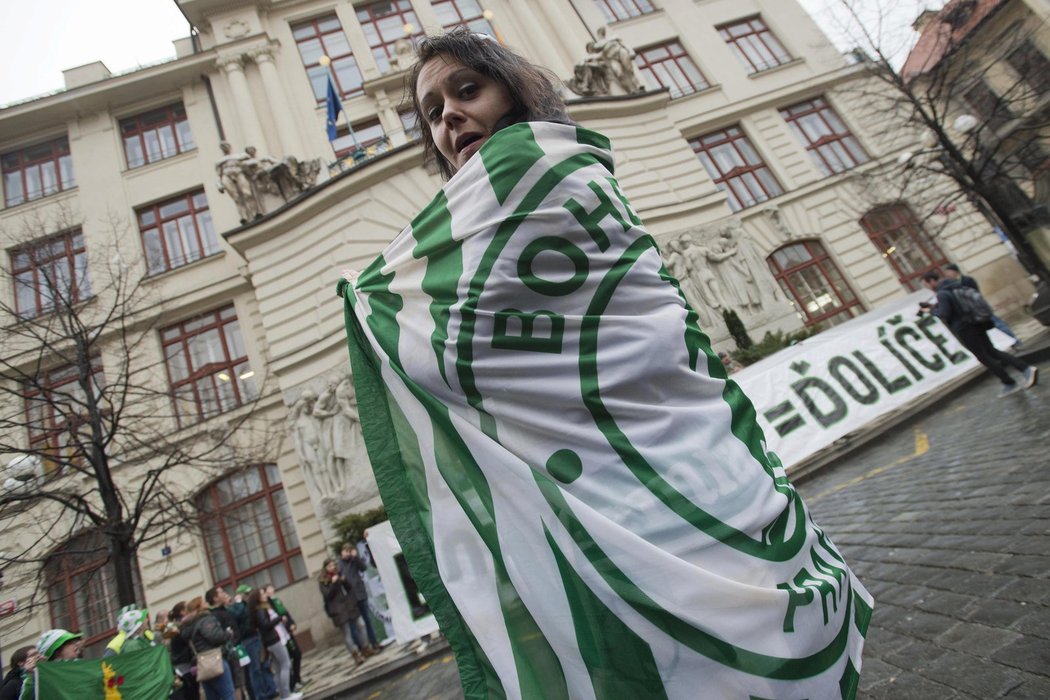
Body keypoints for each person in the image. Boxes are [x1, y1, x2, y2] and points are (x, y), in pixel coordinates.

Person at [337, 28, 871, 698]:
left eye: (466, 89)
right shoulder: (514, 199)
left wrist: (368, 305)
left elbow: (446, 353)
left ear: (515, 88)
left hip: (649, 474)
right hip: (670, 472)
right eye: (432, 112)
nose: (447, 115)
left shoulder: (531, 167)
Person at [921, 270, 1037, 396]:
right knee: (992, 351)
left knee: (983, 357)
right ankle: (1025, 369)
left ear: (932, 281)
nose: (927, 287)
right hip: (976, 323)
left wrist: (930, 311)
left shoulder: (942, 294)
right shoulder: (953, 286)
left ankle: (1009, 382)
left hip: (964, 328)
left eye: (926, 284)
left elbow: (944, 314)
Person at [943, 262, 1021, 347]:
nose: (947, 275)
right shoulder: (953, 284)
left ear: (955, 271)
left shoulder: (967, 280)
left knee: (997, 324)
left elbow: (975, 293)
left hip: (980, 309)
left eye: (948, 272)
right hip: (972, 312)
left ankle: (1015, 340)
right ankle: (1008, 343)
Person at [247, 588, 302, 700]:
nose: (265, 595)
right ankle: (286, 694)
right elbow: (265, 624)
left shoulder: (264, 607)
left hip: (271, 640)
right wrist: (279, 619)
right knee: (286, 664)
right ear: (257, 598)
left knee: (278, 668)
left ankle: (283, 694)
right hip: (273, 640)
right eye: (262, 594)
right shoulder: (260, 610)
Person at [181, 596, 236, 700]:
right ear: (200, 607)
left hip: (202, 663)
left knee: (212, 696)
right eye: (204, 602)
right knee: (228, 694)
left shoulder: (190, 625)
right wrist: (228, 634)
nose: (206, 603)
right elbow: (215, 637)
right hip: (215, 658)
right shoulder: (206, 620)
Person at [318, 557, 367, 664]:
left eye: (333, 565)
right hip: (338, 610)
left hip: (349, 605)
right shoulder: (323, 580)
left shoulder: (339, 573)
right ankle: (355, 655)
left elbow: (349, 588)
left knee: (361, 624)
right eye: (330, 566)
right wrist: (334, 583)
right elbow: (327, 595)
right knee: (347, 633)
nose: (332, 567)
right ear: (325, 568)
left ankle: (365, 647)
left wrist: (344, 580)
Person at [234, 585, 276, 700]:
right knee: (255, 669)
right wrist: (238, 603)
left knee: (265, 664)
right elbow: (239, 617)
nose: (249, 596)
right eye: (246, 594)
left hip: (258, 635)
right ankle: (261, 695)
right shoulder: (239, 607)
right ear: (241, 595)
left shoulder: (251, 604)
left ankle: (271, 690)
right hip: (248, 639)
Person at [206, 586, 249, 700]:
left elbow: (239, 615)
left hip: (237, 648)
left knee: (240, 683)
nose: (225, 593)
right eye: (221, 592)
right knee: (235, 685)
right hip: (229, 652)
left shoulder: (225, 609)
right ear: (215, 598)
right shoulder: (214, 615)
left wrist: (231, 604)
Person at [337, 543, 380, 654]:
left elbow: (363, 568)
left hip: (360, 594)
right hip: (350, 598)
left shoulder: (354, 560)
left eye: (349, 551)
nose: (347, 553)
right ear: (342, 552)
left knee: (367, 620)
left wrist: (355, 557)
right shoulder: (339, 564)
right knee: (355, 625)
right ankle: (361, 647)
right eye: (345, 551)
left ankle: (374, 642)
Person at [262, 583, 305, 691]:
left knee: (297, 654)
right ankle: (289, 687)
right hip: (277, 637)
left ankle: (296, 679)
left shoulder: (275, 601)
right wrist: (280, 619)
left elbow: (285, 613)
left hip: (286, 632)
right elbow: (268, 623)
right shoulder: (263, 608)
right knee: (285, 663)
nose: (272, 589)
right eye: (269, 589)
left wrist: (291, 624)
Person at [18, 629, 82, 699]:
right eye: (70, 643)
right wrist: (32, 676)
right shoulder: (40, 677)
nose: (76, 645)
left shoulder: (81, 667)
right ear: (57, 650)